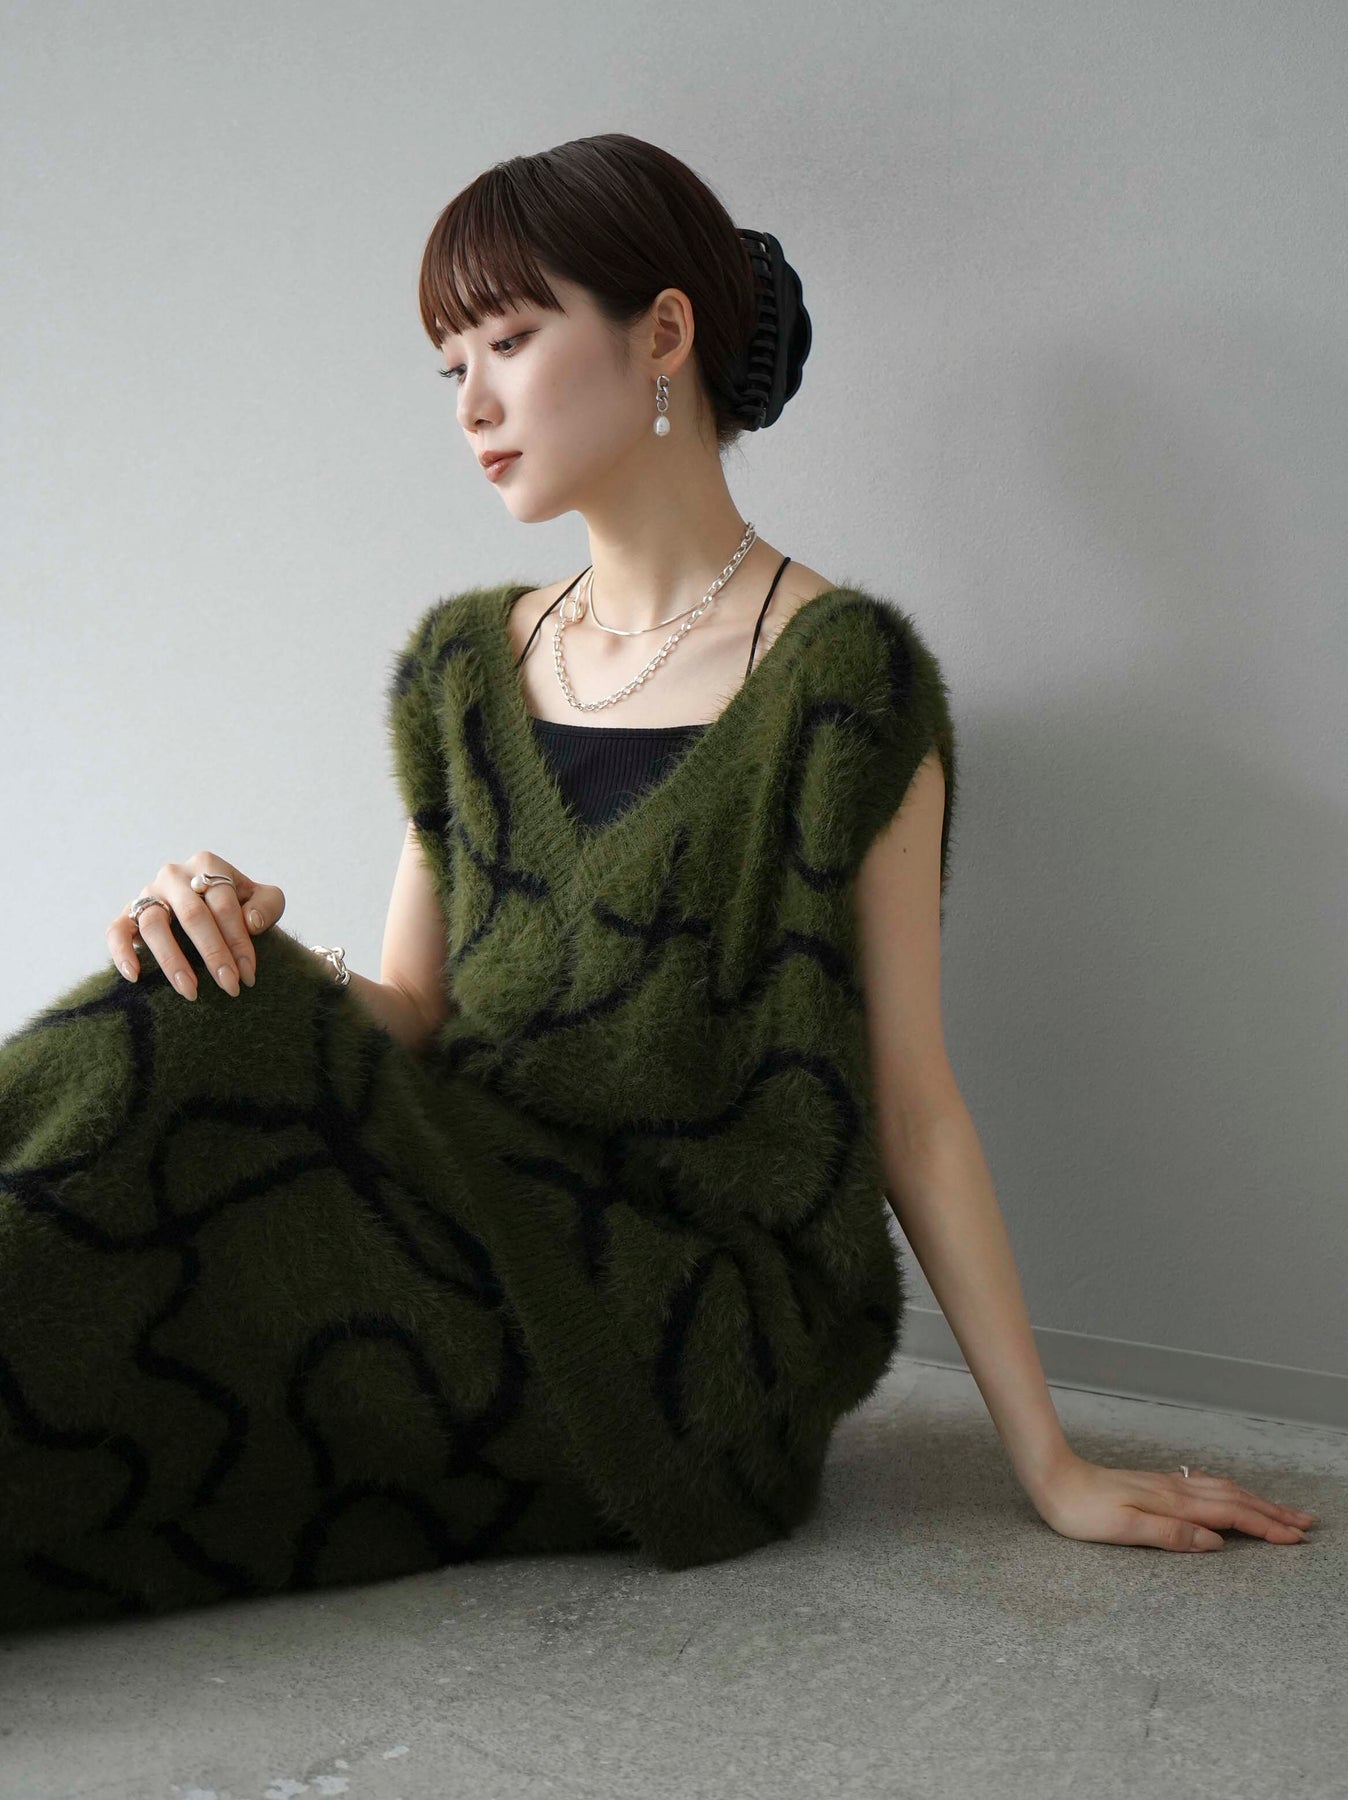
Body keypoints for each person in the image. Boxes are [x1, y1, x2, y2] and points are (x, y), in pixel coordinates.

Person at [0, 135, 1315, 1631]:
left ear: (664, 334)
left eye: (510, 340)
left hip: (683, 1329)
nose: (473, 405)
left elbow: (911, 1106)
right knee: (176, 1014)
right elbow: (412, 1011)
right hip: (466, 1217)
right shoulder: (463, 665)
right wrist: (242, 941)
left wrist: (1053, 1464)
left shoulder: (843, 683)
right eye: (451, 366)